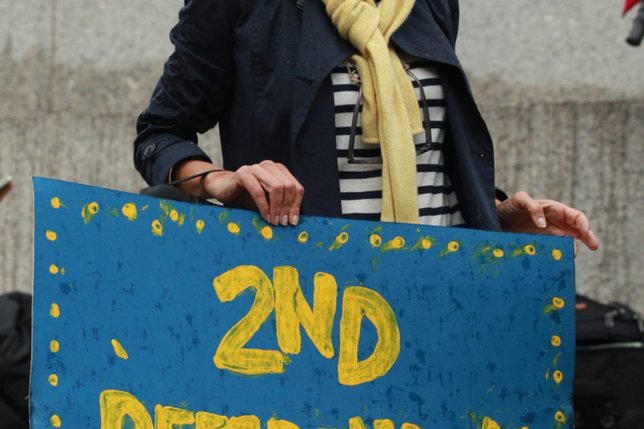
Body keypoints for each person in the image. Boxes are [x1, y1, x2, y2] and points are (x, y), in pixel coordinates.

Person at [134, 0, 598, 251]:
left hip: (445, 291)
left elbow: (424, 163)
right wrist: (224, 181)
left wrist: (495, 214)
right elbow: (160, 134)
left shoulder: (430, 5)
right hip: (308, 301)